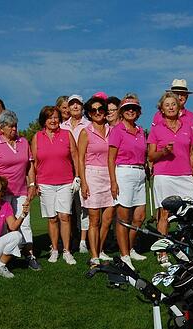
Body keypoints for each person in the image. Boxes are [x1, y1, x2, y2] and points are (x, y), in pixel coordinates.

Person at [0, 110, 41, 271]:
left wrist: (32, 185)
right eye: (10, 126)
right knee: (3, 226)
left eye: (15, 126)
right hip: (3, 194)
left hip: (21, 191)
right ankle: (3, 259)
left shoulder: (24, 142)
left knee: (25, 224)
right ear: (1, 128)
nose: (14, 129)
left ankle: (30, 255)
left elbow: (29, 166)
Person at [148, 92, 193, 267]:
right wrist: (163, 152)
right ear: (161, 109)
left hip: (185, 175)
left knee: (191, 213)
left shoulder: (187, 128)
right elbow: (151, 156)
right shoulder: (156, 128)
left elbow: (192, 153)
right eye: (167, 105)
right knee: (165, 214)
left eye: (173, 104)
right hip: (164, 175)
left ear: (179, 107)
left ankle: (184, 248)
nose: (170, 107)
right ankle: (162, 252)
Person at [31, 105, 79, 265]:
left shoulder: (67, 134)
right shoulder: (37, 137)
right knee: (52, 218)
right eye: (49, 117)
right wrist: (35, 182)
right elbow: (34, 162)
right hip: (45, 183)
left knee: (64, 216)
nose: (53, 120)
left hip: (65, 182)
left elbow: (75, 156)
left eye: (56, 117)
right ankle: (55, 249)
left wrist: (77, 176)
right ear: (44, 120)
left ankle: (67, 251)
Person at [108, 94, 148, 269]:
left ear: (138, 112)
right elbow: (111, 158)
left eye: (134, 108)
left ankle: (130, 249)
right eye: (127, 108)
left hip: (140, 173)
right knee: (123, 218)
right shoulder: (117, 130)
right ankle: (124, 255)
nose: (130, 111)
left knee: (139, 217)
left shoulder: (140, 131)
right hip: (123, 173)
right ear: (122, 112)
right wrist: (113, 182)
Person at [78, 96, 115, 266]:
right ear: (89, 114)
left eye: (101, 109)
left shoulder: (112, 130)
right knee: (95, 220)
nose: (98, 113)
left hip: (110, 175)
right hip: (92, 176)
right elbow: (80, 159)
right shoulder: (85, 132)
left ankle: (100, 250)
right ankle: (94, 255)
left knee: (107, 219)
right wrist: (83, 182)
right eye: (94, 110)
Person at [61, 94, 92, 253]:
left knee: (83, 207)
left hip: (84, 169)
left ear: (82, 106)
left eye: (78, 104)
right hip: (66, 171)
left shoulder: (88, 124)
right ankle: (69, 239)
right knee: (67, 208)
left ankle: (83, 241)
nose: (74, 107)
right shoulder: (62, 126)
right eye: (72, 104)